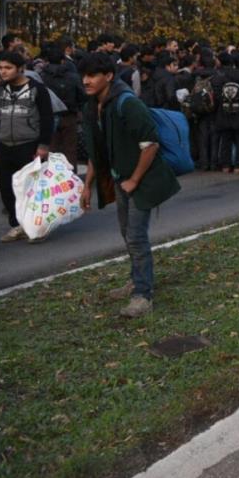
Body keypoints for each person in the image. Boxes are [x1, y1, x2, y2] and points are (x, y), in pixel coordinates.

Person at [79, 52, 180, 318]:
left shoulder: (127, 103)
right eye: (84, 75)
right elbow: (96, 149)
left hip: (141, 180)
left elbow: (150, 144)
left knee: (136, 236)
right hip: (119, 178)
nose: (86, 81)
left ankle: (142, 296)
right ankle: (137, 280)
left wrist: (134, 180)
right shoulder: (93, 105)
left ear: (109, 76)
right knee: (127, 233)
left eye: (92, 75)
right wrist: (87, 184)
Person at [0, 51, 54, 242]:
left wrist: (43, 145)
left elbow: (47, 117)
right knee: (8, 189)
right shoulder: (1, 88)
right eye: (0, 67)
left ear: (20, 68)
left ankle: (38, 228)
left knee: (31, 190)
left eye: (8, 68)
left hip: (29, 145)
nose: (3, 72)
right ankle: (18, 225)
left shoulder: (37, 89)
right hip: (4, 145)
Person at [38, 42, 85, 165]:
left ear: (47, 60)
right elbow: (82, 95)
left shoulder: (41, 77)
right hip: (69, 115)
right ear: (63, 60)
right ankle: (70, 179)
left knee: (51, 149)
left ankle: (52, 179)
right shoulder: (73, 77)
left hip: (48, 117)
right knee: (70, 150)